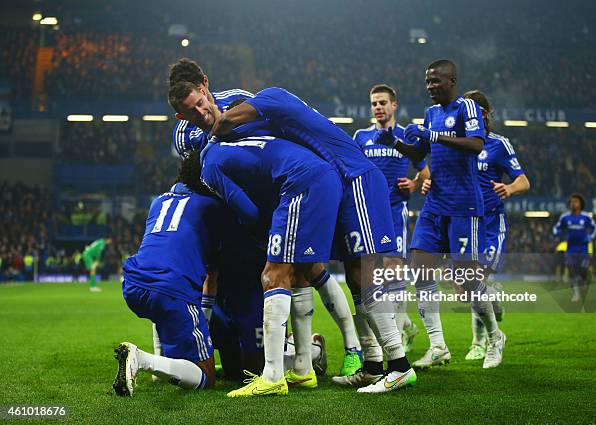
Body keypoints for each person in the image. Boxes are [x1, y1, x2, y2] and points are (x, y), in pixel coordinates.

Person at [211, 86, 416, 393]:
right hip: (341, 182)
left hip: (353, 175)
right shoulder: (284, 116)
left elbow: (224, 123)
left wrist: (206, 135)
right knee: (356, 277)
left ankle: (399, 366)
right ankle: (374, 366)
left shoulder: (272, 98)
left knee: (366, 273)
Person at [170, 65, 362, 378]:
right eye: (189, 110)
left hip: (279, 193)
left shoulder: (240, 100)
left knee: (303, 271)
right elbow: (198, 179)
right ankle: (298, 360)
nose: (199, 110)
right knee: (266, 276)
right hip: (236, 211)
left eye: (199, 98)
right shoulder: (185, 136)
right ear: (180, 113)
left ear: (204, 84)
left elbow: (275, 133)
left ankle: (339, 350)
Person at [379, 59, 506, 369]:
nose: (430, 86)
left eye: (436, 81)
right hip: (435, 203)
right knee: (421, 269)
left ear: (452, 80)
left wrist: (432, 136)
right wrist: (395, 142)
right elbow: (420, 153)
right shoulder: (432, 114)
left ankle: (494, 336)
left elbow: (476, 145)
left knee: (469, 280)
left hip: (464, 205)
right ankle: (438, 345)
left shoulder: (467, 109)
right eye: (427, 81)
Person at [422, 90, 530, 360]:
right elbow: (442, 171)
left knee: (474, 279)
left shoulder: (497, 144)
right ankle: (489, 313)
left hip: (491, 222)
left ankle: (480, 341)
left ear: (484, 114)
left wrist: (509, 188)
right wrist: (429, 181)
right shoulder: (454, 143)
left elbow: (523, 181)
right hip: (461, 214)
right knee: (467, 286)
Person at [114, 182, 221, 396]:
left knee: (161, 309)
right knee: (206, 376)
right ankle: (141, 359)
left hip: (134, 281)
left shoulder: (159, 200)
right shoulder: (210, 204)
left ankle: (158, 364)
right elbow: (212, 273)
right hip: (170, 289)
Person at [353, 83, 430, 353]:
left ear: (394, 105)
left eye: (383, 103)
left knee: (393, 268)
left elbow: (425, 172)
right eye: (374, 103)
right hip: (367, 212)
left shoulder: (405, 137)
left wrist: (412, 183)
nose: (378, 107)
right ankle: (406, 324)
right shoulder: (361, 136)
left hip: (394, 210)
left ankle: (394, 339)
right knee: (369, 274)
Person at [168, 58, 254, 159]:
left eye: (196, 92)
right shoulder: (184, 135)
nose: (200, 112)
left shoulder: (239, 97)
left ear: (205, 82)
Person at [553, 193, 596, 302]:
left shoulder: (586, 217)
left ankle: (584, 282)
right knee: (571, 270)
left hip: (583, 248)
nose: (573, 203)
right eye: (572, 202)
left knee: (583, 271)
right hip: (571, 248)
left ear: (580, 204)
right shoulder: (565, 217)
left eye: (576, 201)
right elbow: (556, 228)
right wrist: (559, 234)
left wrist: (590, 237)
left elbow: (594, 227)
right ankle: (575, 294)